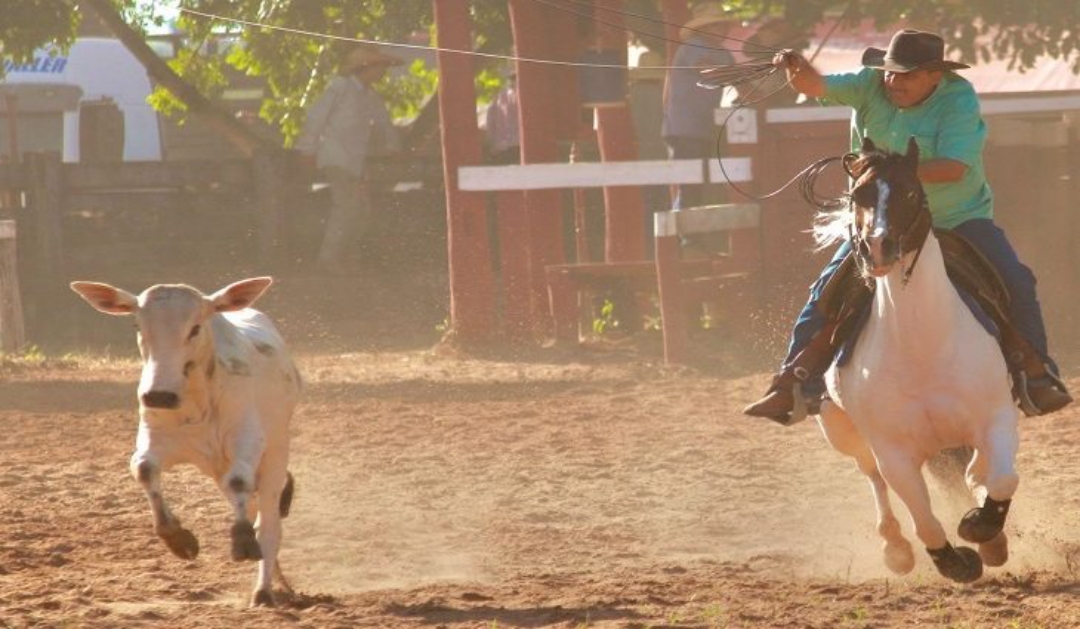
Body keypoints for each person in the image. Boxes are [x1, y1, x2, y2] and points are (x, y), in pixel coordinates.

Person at [744, 29, 1072, 424]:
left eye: (907, 75)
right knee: (826, 291)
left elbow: (953, 167)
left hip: (957, 217)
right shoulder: (869, 82)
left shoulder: (958, 98)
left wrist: (891, 175)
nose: (894, 82)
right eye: (890, 73)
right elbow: (813, 84)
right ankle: (792, 385)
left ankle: (1035, 375)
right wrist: (797, 65)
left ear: (935, 75)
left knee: (1016, 281)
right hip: (881, 218)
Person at [295, 42, 402, 272]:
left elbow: (384, 122)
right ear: (365, 67)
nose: (383, 72)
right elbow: (316, 118)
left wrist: (393, 145)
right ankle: (329, 260)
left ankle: (346, 259)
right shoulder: (340, 88)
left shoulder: (369, 96)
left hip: (354, 161)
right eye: (379, 66)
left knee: (361, 211)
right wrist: (307, 150)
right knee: (346, 208)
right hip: (337, 158)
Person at [661, 2, 736, 211]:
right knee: (690, 184)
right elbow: (708, 71)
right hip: (683, 127)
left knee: (697, 184)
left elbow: (742, 81)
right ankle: (686, 238)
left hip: (702, 127)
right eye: (716, 26)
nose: (723, 30)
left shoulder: (724, 53)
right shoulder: (693, 46)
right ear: (702, 29)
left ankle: (689, 236)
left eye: (723, 26)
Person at [483, 67, 520, 165]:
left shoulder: (499, 97)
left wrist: (493, 143)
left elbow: (490, 125)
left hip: (502, 147)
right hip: (517, 147)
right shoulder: (503, 97)